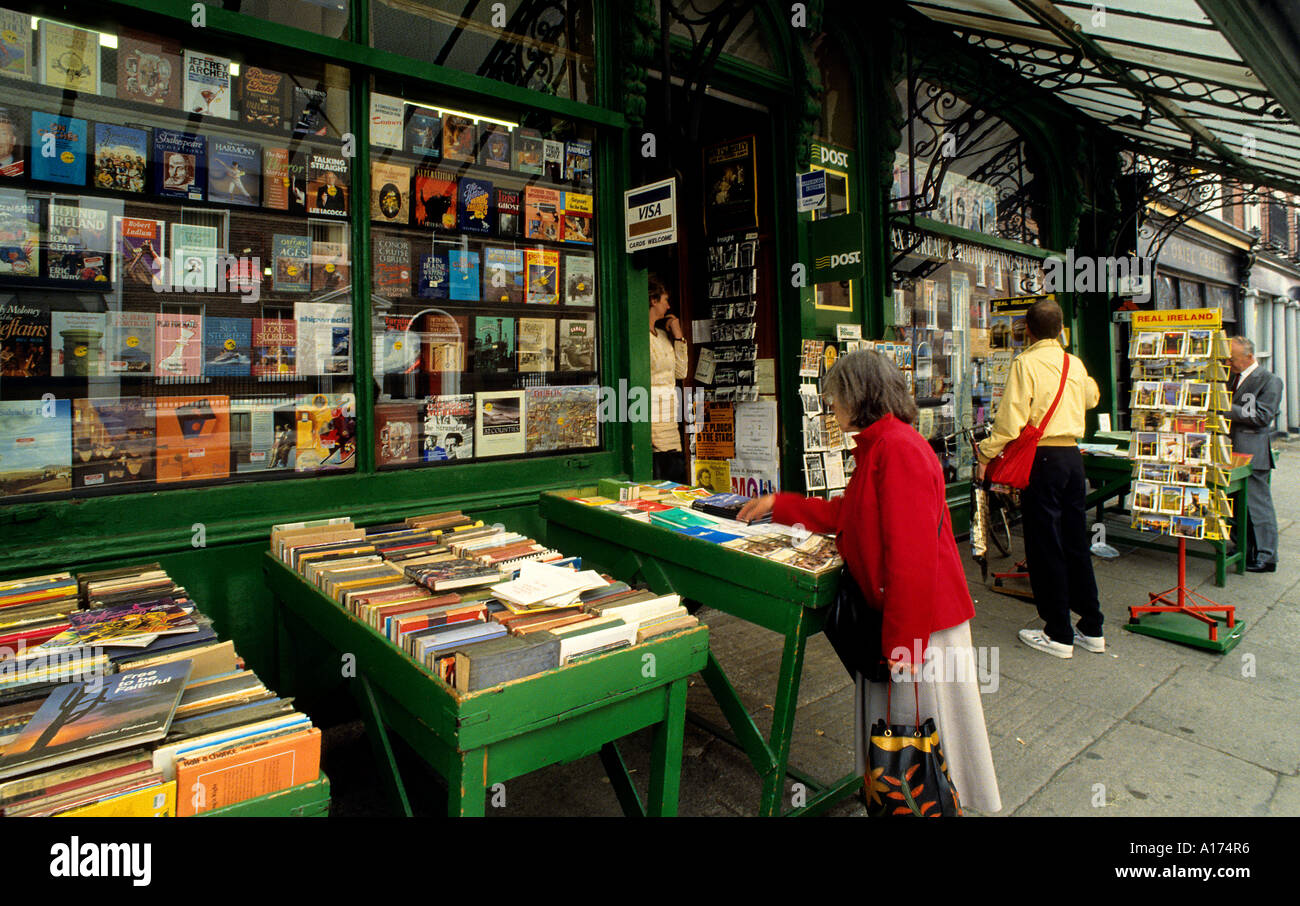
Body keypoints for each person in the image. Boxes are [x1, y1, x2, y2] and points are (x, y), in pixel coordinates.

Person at [738, 350, 1001, 814]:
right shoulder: (883, 446)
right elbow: (850, 517)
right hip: (908, 625)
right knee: (911, 749)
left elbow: (911, 557)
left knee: (919, 748)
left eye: (835, 398)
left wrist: (902, 649)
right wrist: (781, 505)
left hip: (918, 629)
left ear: (859, 396)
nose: (831, 409)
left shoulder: (896, 448)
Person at [976, 298, 1104, 659]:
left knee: (1044, 543)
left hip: (1042, 459)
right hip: (1071, 457)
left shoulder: (1026, 363)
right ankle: (1091, 625)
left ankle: (1058, 632)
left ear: (1027, 330)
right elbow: (1092, 398)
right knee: (1075, 540)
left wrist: (985, 453)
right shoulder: (1073, 363)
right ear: (1061, 330)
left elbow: (1010, 420)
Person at [1227, 336, 1283, 572]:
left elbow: (1262, 416)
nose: (1229, 362)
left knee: (1258, 506)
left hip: (1252, 452)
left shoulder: (1270, 381)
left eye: (1233, 358)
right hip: (1231, 450)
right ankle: (1244, 548)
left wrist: (1223, 407)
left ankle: (1266, 556)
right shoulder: (1233, 377)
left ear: (1249, 357)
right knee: (1237, 504)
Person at [649, 277, 688, 484]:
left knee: (674, 472)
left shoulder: (663, 336)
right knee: (660, 472)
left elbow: (681, 372)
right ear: (653, 301)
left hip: (670, 417)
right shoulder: (640, 337)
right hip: (651, 417)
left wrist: (678, 334)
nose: (668, 305)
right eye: (665, 300)